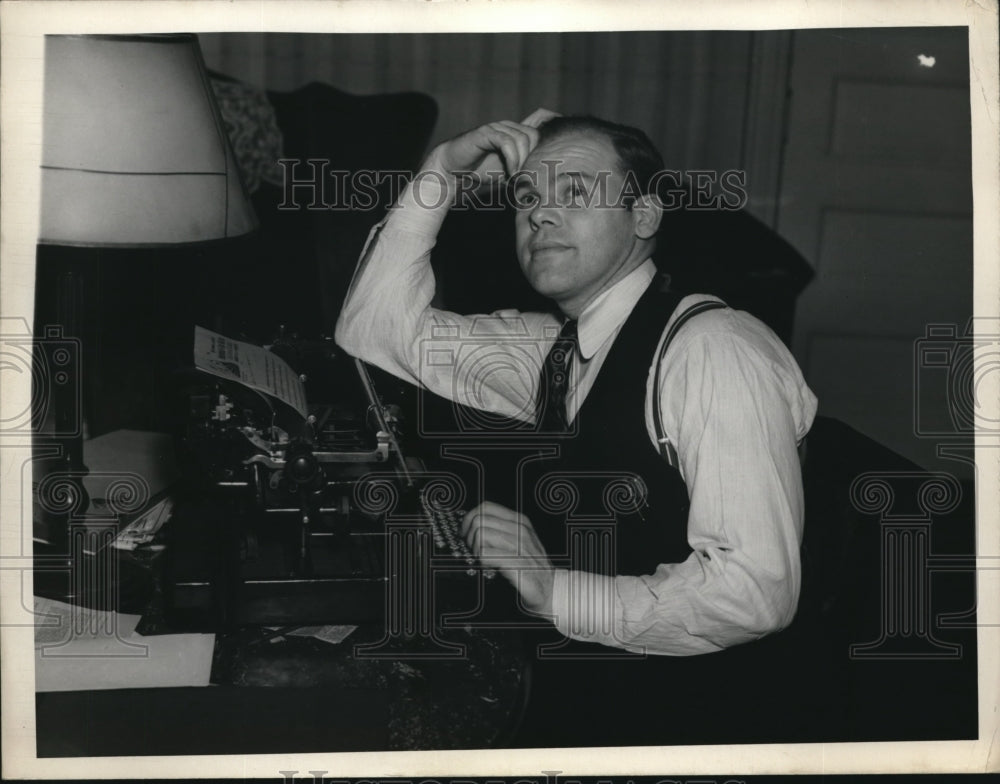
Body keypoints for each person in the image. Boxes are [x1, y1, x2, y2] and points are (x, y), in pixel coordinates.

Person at [335, 110, 818, 745]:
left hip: (690, 728)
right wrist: (441, 175)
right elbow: (372, 331)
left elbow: (756, 592)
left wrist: (551, 590)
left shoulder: (712, 351)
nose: (538, 214)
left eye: (577, 193)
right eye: (528, 197)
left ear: (644, 217)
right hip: (589, 695)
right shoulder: (556, 348)